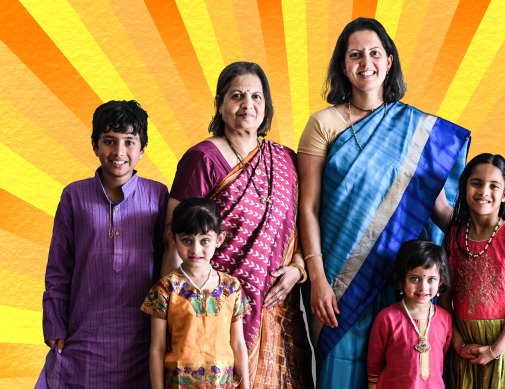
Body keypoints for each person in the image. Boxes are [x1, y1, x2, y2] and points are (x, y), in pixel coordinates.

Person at [297, 17, 470, 387]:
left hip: (399, 280)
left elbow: (437, 208)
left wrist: (493, 236)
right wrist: (318, 280)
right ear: (343, 65)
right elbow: (307, 208)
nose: (366, 63)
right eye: (355, 55)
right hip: (339, 281)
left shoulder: (415, 130)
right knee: (340, 370)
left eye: (375, 53)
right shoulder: (323, 124)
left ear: (389, 60)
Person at [161, 61, 313, 388]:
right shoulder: (201, 158)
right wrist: (174, 319)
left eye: (257, 97)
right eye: (237, 95)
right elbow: (173, 238)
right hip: (214, 312)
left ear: (267, 106)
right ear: (220, 103)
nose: (248, 104)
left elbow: (301, 231)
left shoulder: (286, 159)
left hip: (280, 311)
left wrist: (298, 270)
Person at [36, 100, 169, 388]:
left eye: (129, 142)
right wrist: (55, 324)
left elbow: (167, 265)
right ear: (95, 145)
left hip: (142, 336)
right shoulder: (74, 196)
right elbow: (59, 269)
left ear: (142, 149)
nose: (119, 152)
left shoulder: (158, 195)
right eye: (109, 141)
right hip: (84, 335)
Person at [440, 153, 505, 388]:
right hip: (464, 343)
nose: (484, 192)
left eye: (494, 186)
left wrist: (494, 349)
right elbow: (445, 298)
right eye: (476, 183)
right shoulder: (453, 238)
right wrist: (457, 342)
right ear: (464, 186)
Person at [142, 198, 250, 389]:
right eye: (187, 240)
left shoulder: (231, 287)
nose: (196, 249)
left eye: (205, 241)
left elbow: (238, 344)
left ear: (220, 239)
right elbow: (157, 349)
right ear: (172, 238)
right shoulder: (166, 289)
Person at [368, 240, 452, 388]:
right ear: (401, 280)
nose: (423, 287)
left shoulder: (446, 319)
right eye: (415, 279)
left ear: (440, 281)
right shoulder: (387, 318)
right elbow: (374, 365)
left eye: (431, 279)